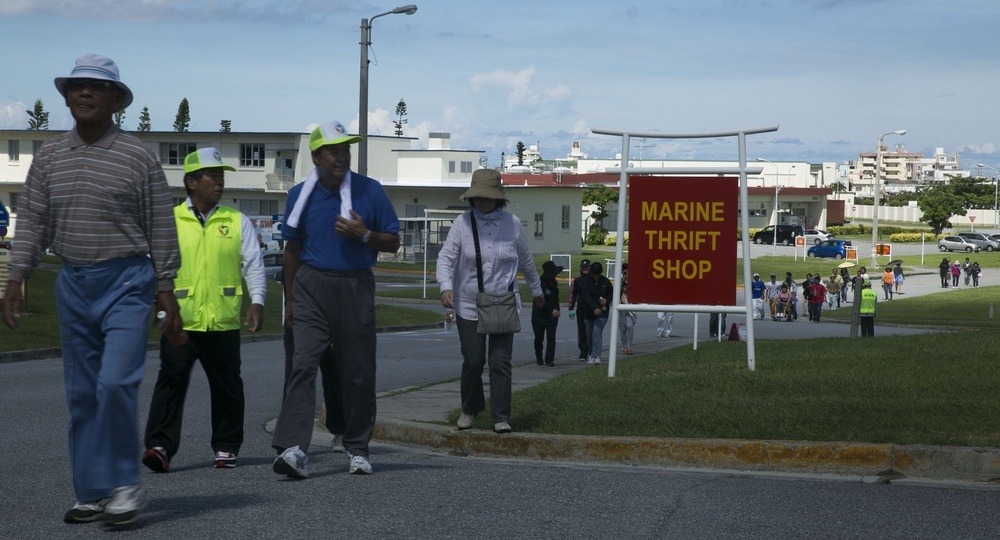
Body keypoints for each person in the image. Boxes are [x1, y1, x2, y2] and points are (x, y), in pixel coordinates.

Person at [2, 54, 181, 525]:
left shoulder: (137, 157)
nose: (85, 93)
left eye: (96, 88)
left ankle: (124, 484)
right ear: (67, 96)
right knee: (83, 394)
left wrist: (166, 289)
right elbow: (33, 223)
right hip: (74, 282)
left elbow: (161, 226)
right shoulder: (49, 158)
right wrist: (16, 277)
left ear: (115, 100)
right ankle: (92, 490)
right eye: (77, 86)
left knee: (116, 382)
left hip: (126, 281)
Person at [271, 120, 401, 478]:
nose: (342, 157)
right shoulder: (300, 194)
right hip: (311, 285)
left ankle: (357, 448)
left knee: (358, 372)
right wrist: (292, 299)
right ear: (316, 156)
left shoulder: (369, 191)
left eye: (345, 150)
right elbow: (292, 250)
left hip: (355, 285)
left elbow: (393, 241)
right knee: (303, 364)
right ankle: (296, 448)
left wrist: (364, 234)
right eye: (333, 151)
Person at [142, 148, 266, 473]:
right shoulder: (169, 220)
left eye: (222, 176)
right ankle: (159, 447)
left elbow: (253, 264)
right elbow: (153, 265)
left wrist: (258, 301)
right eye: (213, 175)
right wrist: (157, 305)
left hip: (223, 321)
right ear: (191, 182)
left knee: (227, 386)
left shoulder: (236, 220)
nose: (219, 182)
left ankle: (226, 447)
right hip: (180, 320)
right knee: (171, 382)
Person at [437, 169, 543, 434]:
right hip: (468, 302)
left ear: (499, 198)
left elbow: (526, 262)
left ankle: (500, 416)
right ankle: (469, 408)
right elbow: (446, 258)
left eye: (489, 197)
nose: (484, 201)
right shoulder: (462, 223)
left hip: (502, 303)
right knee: (473, 361)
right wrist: (445, 286)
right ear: (472, 198)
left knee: (500, 362)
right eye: (479, 197)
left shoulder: (513, 224)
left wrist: (538, 291)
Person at [580, 261, 613, 365]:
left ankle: (596, 356)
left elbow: (611, 294)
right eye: (593, 274)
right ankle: (590, 354)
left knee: (597, 332)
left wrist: (606, 301)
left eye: (597, 275)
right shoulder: (586, 281)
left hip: (602, 312)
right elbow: (586, 296)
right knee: (589, 334)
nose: (595, 277)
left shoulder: (605, 282)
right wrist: (594, 308)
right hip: (589, 312)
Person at [532, 260, 562, 366]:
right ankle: (539, 358)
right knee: (539, 339)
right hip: (539, 316)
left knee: (551, 338)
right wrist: (551, 310)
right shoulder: (539, 284)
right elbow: (541, 300)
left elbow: (555, 299)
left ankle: (549, 360)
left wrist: (557, 309)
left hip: (552, 318)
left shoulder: (553, 283)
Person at [567, 259, 591, 361]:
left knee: (591, 331)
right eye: (583, 267)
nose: (585, 269)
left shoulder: (593, 279)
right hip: (581, 309)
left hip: (591, 309)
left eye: (587, 267)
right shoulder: (577, 280)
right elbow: (573, 294)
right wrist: (571, 308)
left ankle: (592, 351)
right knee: (582, 331)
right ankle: (583, 352)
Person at [618, 262, 637, 355]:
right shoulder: (619, 283)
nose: (626, 276)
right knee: (623, 329)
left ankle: (629, 346)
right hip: (622, 308)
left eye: (628, 273)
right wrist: (621, 282)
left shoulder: (635, 283)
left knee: (630, 326)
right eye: (624, 273)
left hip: (632, 307)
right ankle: (624, 347)